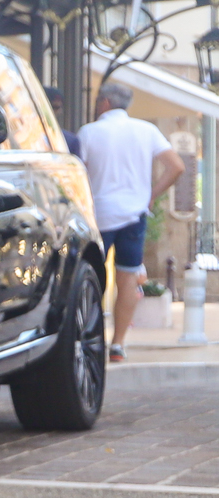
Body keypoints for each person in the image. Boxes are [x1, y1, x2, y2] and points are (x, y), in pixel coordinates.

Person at [74, 79, 188, 358]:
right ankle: (118, 344)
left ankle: (88, 336)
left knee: (89, 277)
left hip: (98, 214)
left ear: (104, 103)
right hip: (134, 215)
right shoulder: (146, 130)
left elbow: (78, 174)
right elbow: (177, 167)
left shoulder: (88, 132)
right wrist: (151, 194)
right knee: (127, 278)